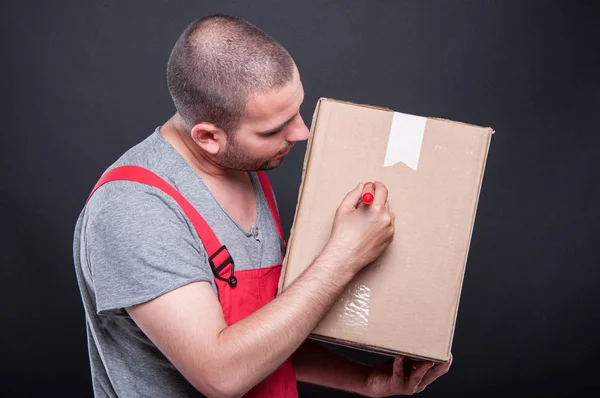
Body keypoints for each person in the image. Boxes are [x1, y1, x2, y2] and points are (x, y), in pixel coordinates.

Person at [73, 14, 452, 398]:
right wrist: (344, 256)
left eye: (297, 111)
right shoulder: (134, 209)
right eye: (274, 129)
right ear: (208, 137)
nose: (301, 133)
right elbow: (221, 375)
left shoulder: (241, 167)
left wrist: (364, 380)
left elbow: (267, 333)